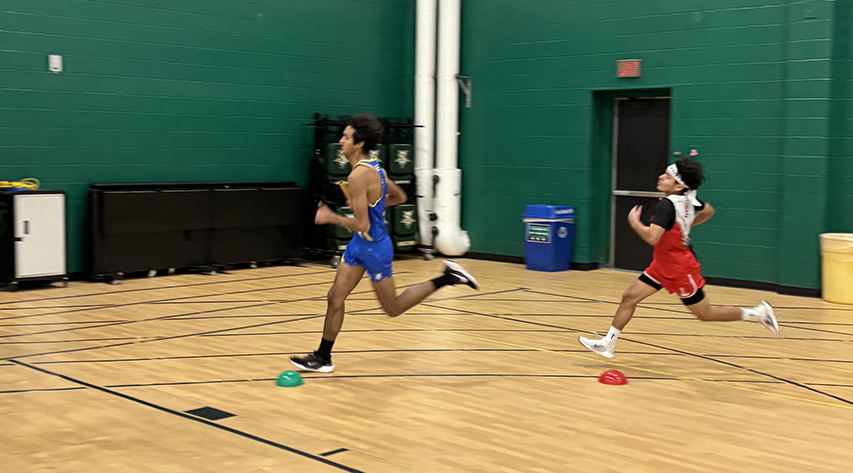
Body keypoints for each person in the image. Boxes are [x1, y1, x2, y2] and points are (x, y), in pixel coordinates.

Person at [291, 113, 479, 372]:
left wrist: (330, 217)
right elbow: (399, 196)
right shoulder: (373, 166)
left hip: (375, 249)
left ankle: (447, 277)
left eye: (346, 137)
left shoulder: (359, 176)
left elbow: (363, 224)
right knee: (335, 297)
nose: (341, 141)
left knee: (392, 308)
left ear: (359, 143)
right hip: (360, 245)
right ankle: (323, 357)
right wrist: (372, 208)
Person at [579, 158, 780, 359]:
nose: (660, 177)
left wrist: (634, 222)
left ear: (679, 186)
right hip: (662, 264)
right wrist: (685, 227)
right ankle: (608, 343)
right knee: (630, 297)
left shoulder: (666, 206)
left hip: (679, 269)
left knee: (705, 314)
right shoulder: (688, 198)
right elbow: (708, 210)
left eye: (667, 176)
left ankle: (758, 313)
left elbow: (651, 237)